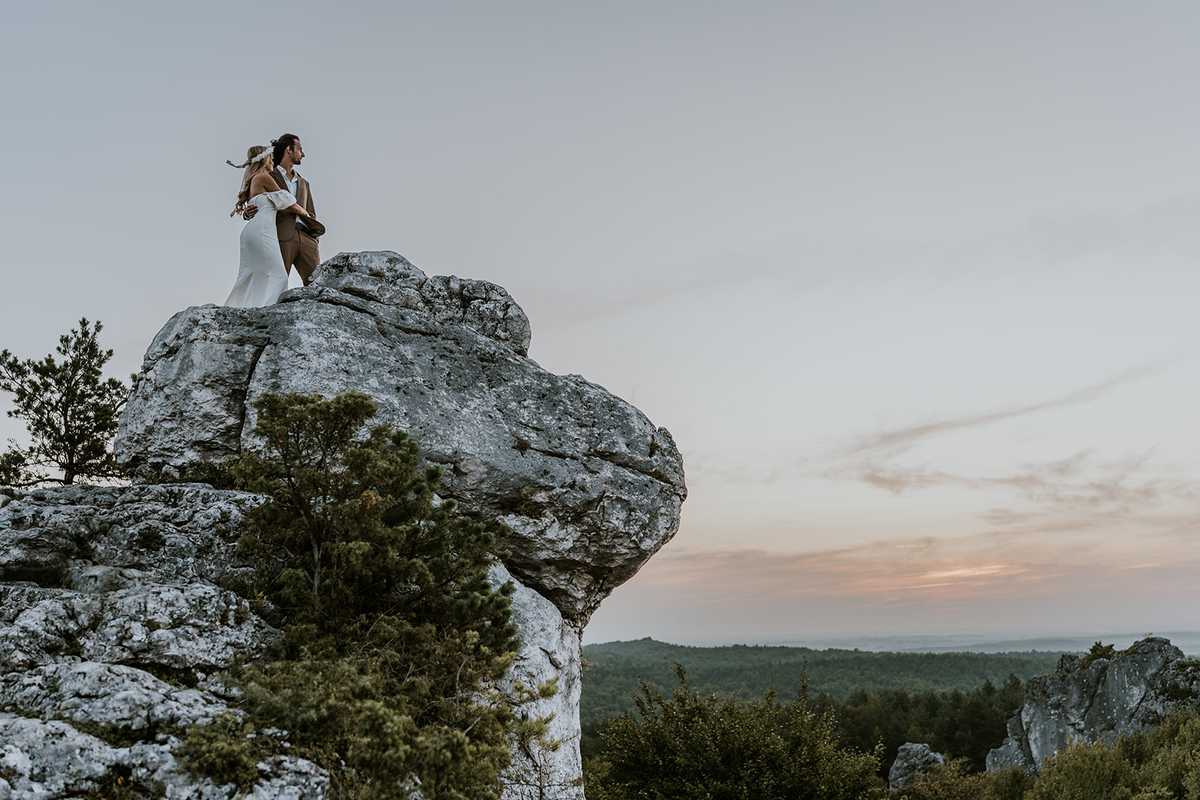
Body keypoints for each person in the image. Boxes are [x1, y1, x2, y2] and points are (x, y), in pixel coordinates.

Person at [224, 145, 315, 308]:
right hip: (263, 230)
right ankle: (265, 311)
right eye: (270, 157)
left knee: (253, 274)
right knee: (278, 275)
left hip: (255, 230)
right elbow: (288, 202)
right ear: (264, 159)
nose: (273, 160)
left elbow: (258, 203)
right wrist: (306, 215)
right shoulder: (264, 177)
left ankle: (242, 307)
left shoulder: (254, 179)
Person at [243, 133, 322, 285]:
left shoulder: (304, 183)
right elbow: (253, 200)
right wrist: (247, 213)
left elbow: (311, 212)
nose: (303, 154)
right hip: (279, 237)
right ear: (289, 150)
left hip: (306, 239)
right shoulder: (266, 174)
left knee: (317, 284)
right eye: (300, 149)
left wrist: (314, 238)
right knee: (275, 284)